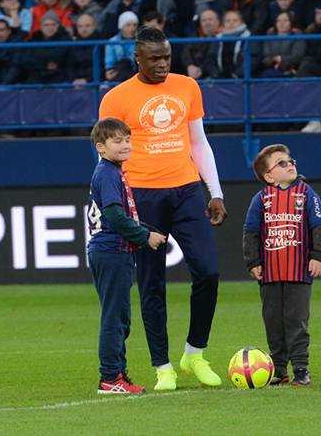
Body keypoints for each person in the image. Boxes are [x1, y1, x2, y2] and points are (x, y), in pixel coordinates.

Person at [98, 26, 227, 390]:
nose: (161, 64)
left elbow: (198, 142)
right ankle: (163, 366)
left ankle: (194, 353)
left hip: (186, 190)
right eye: (153, 58)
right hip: (141, 196)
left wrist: (214, 191)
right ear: (137, 59)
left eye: (166, 57)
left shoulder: (187, 86)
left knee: (209, 272)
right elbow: (106, 153)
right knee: (152, 283)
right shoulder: (117, 98)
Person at [86, 117, 166, 395]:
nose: (125, 145)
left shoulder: (111, 171)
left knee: (119, 316)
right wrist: (145, 236)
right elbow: (114, 216)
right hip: (111, 251)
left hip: (109, 251)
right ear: (101, 146)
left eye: (127, 140)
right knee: (115, 317)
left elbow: (119, 216)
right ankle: (109, 378)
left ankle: (117, 374)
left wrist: (148, 231)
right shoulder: (108, 173)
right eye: (117, 141)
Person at [242, 144, 321, 386]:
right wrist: (253, 262)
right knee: (273, 320)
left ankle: (301, 368)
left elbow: (320, 226)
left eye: (290, 160)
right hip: (270, 274)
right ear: (269, 176)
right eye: (281, 163)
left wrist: (319, 255)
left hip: (298, 272)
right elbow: (251, 232)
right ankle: (278, 368)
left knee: (296, 320)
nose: (290, 164)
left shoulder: (307, 194)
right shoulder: (261, 200)